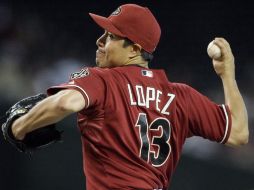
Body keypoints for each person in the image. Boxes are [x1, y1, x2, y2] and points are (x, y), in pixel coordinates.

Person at [11, 3, 248, 190]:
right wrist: (228, 75)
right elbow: (238, 133)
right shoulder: (180, 96)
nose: (100, 41)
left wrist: (19, 127)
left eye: (111, 36)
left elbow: (65, 102)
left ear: (135, 49)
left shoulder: (103, 79)